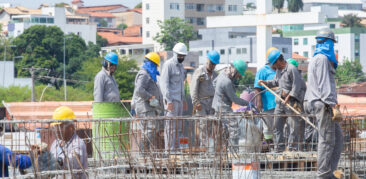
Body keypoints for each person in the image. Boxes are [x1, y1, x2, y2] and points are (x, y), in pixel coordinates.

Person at [305, 28, 343, 179]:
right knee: (326, 139)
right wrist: (332, 105)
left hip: (322, 102)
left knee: (338, 138)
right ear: (328, 43)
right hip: (322, 103)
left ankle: (330, 171)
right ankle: (323, 174)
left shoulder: (319, 58)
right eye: (332, 44)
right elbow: (324, 84)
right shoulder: (321, 59)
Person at [259, 50, 306, 152]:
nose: (274, 66)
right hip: (280, 102)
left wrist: (290, 95)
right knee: (277, 125)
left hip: (291, 103)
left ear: (279, 61)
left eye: (274, 64)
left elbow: (297, 85)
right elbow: (276, 82)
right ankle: (279, 148)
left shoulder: (291, 69)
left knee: (293, 127)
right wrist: (266, 82)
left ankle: (292, 148)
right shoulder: (278, 70)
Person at [212, 59, 249, 151]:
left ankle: (224, 150)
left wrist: (219, 95)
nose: (239, 76)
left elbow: (214, 83)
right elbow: (234, 99)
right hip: (223, 108)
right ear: (235, 70)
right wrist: (248, 103)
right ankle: (233, 152)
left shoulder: (222, 74)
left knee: (223, 131)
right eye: (239, 73)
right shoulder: (226, 81)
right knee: (234, 128)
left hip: (217, 106)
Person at [132, 52, 164, 151]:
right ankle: (143, 154)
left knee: (150, 131)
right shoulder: (144, 74)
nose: (156, 68)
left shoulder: (148, 74)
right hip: (145, 109)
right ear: (151, 64)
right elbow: (139, 90)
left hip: (149, 108)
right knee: (148, 131)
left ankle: (145, 153)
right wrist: (150, 97)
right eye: (155, 65)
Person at [160, 42, 188, 151]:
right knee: (170, 128)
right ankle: (170, 151)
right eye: (180, 55)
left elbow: (181, 84)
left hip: (179, 101)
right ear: (175, 54)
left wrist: (183, 99)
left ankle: (176, 150)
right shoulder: (168, 65)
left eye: (183, 56)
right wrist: (168, 100)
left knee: (178, 127)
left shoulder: (181, 67)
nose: (181, 57)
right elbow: (164, 83)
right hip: (171, 101)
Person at [190, 50, 219, 147]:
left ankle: (209, 148)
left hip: (211, 104)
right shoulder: (199, 72)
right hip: (201, 104)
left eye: (214, 64)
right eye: (211, 63)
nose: (212, 66)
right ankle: (204, 149)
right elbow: (193, 88)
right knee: (202, 126)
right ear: (207, 60)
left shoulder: (215, 75)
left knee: (210, 127)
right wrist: (195, 102)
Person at [50, 106, 88, 179]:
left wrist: (58, 161)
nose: (57, 130)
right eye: (55, 127)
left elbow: (73, 162)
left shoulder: (78, 143)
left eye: (60, 126)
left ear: (71, 127)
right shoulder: (55, 143)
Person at [254, 47, 277, 148]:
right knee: (268, 128)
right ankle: (270, 146)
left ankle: (277, 145)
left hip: (278, 104)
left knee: (277, 127)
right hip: (267, 105)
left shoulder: (279, 70)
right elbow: (257, 87)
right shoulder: (263, 71)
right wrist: (259, 102)